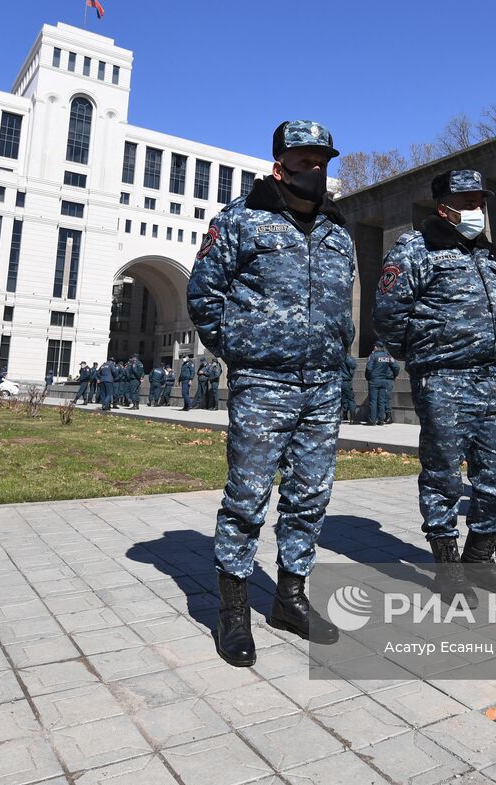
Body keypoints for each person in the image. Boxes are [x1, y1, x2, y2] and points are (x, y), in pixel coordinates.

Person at [187, 119, 355, 668]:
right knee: (247, 497)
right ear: (280, 164)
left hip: (324, 386)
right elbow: (204, 295)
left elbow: (341, 308)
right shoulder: (239, 221)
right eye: (305, 161)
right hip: (265, 383)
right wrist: (241, 350)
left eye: (323, 161)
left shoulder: (338, 231)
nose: (316, 170)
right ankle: (233, 610)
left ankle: (290, 597)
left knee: (311, 496)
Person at [374, 169, 496, 605]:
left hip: (491, 379)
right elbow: (388, 313)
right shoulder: (415, 249)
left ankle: (480, 557)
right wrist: (424, 355)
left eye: (481, 199)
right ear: (445, 207)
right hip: (444, 378)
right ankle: (447, 567)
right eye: (469, 201)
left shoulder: (485, 254)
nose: (478, 209)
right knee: (444, 475)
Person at [364, 340, 400, 426]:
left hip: (374, 380)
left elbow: (369, 368)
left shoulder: (373, 356)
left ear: (376, 347)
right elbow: (395, 366)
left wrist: (367, 377)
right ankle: (381, 420)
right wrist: (395, 375)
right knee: (381, 401)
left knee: (373, 401)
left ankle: (372, 420)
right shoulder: (387, 356)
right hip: (383, 380)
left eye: (374, 346)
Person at [339, 354, 358, 423]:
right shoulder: (345, 356)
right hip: (345, 380)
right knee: (350, 399)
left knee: (341, 399)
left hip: (337, 381)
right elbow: (353, 365)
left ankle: (341, 416)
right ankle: (353, 418)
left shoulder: (335, 355)